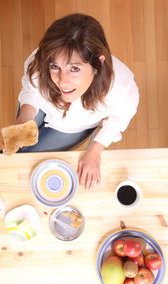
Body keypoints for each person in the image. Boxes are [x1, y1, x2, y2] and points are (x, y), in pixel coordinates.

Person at [15, 13, 139, 189]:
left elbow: (119, 119)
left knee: (29, 157)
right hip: (40, 105)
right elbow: (31, 88)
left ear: (98, 63)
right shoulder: (39, 59)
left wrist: (95, 151)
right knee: (12, 153)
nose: (62, 81)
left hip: (70, 128)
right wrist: (25, 118)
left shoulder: (122, 89)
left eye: (74, 68)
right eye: (55, 66)